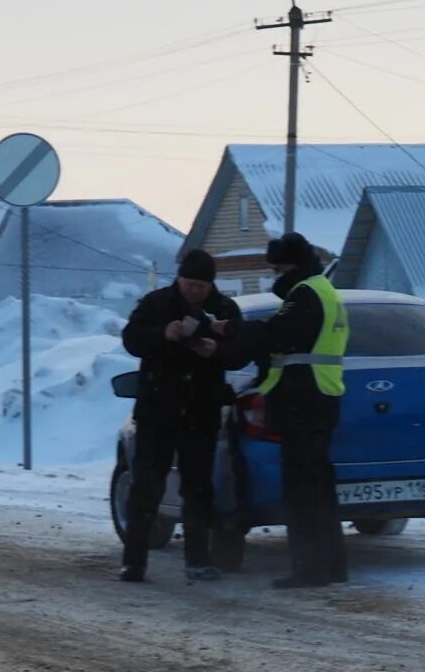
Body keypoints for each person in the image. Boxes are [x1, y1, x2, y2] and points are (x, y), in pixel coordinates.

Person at [118, 249, 242, 583]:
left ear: (210, 285)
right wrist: (163, 333)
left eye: (200, 286)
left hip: (201, 410)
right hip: (158, 409)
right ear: (179, 278)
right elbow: (131, 339)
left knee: (198, 487)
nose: (194, 291)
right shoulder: (156, 303)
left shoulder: (224, 309)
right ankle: (134, 561)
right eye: (189, 284)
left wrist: (218, 350)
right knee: (146, 485)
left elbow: (241, 351)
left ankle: (198, 560)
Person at [246, 232, 351, 589]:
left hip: (304, 400)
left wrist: (237, 332)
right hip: (322, 397)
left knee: (303, 490)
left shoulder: (305, 294)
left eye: (278, 268)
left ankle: (310, 569)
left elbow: (276, 337)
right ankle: (331, 566)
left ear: (292, 264)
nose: (275, 275)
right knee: (319, 487)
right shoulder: (325, 291)